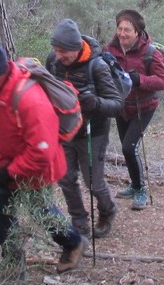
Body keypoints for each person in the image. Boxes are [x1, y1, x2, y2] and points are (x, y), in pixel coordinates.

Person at [0, 39, 87, 276]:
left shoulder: (29, 99)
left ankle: (73, 243)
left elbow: (41, 151)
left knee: (41, 211)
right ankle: (13, 263)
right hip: (13, 162)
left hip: (37, 167)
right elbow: (4, 132)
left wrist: (10, 172)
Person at [45, 19, 123, 239]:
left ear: (76, 48)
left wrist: (95, 103)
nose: (59, 56)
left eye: (63, 52)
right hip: (64, 130)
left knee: (93, 183)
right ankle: (79, 222)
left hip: (92, 131)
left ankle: (107, 210)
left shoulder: (96, 66)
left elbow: (117, 105)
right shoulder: (53, 62)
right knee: (66, 178)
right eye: (56, 50)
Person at [106, 9, 164, 210]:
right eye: (119, 29)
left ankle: (141, 189)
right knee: (127, 148)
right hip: (121, 107)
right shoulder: (110, 50)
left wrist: (139, 80)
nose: (122, 33)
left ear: (137, 32)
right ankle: (134, 185)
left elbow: (161, 81)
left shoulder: (150, 53)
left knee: (128, 147)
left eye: (127, 30)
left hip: (144, 107)